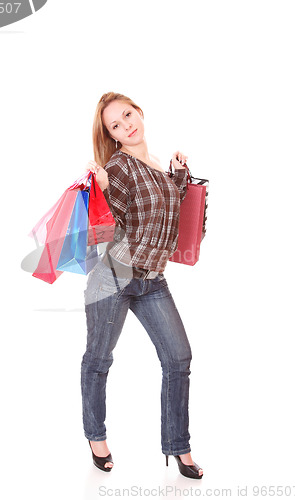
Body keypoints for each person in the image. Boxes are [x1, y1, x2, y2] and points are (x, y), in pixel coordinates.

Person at [81, 92, 203, 479]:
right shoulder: (117, 167)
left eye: (128, 115)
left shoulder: (153, 164)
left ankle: (177, 447)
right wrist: (100, 188)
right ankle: (96, 438)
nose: (126, 125)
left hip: (152, 279)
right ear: (112, 135)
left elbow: (169, 206)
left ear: (140, 112)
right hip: (114, 277)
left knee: (178, 358)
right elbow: (105, 230)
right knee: (99, 360)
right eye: (115, 125)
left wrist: (178, 174)